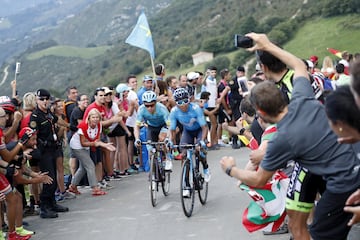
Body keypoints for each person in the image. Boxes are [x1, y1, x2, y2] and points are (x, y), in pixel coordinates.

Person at [220, 33, 360, 240]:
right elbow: (300, 66)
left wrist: (230, 169)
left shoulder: (282, 140)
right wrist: (267, 44)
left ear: (261, 114)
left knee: (321, 233)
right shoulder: (302, 97)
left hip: (343, 182)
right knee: (297, 220)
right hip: (346, 166)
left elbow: (259, 180)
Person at [29, 89, 69, 218]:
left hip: (53, 148)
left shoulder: (48, 114)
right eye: (42, 99)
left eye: (47, 99)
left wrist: (71, 126)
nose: (45, 101)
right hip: (44, 151)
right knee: (49, 179)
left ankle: (52, 203)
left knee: (54, 177)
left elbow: (58, 121)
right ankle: (44, 208)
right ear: (37, 100)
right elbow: (33, 134)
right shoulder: (36, 116)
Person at [168, 88, 210, 198]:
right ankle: (186, 185)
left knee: (200, 149)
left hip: (200, 130)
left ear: (189, 100)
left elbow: (204, 127)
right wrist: (171, 142)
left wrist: (201, 141)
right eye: (179, 102)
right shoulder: (174, 112)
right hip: (188, 132)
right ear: (176, 103)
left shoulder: (196, 108)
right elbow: (172, 130)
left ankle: (205, 167)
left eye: (185, 101)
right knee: (184, 154)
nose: (183, 105)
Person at [69, 108, 115, 196]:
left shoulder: (99, 126)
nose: (95, 119)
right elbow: (83, 143)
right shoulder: (83, 126)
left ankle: (73, 186)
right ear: (89, 118)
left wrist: (104, 145)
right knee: (90, 165)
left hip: (87, 145)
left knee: (83, 168)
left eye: (97, 117)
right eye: (93, 117)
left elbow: (97, 140)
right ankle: (95, 188)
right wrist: (97, 144)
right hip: (77, 146)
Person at [134, 91, 172, 171]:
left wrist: (168, 138)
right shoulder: (141, 109)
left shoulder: (162, 109)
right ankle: (154, 170)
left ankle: (168, 158)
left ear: (156, 102)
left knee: (162, 138)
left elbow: (169, 125)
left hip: (163, 125)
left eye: (152, 105)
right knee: (150, 147)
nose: (149, 108)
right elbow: (136, 126)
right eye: (147, 105)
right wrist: (137, 139)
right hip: (151, 127)